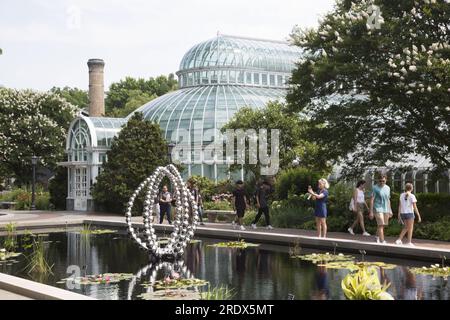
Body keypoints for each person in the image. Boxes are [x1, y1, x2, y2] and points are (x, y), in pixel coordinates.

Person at [369, 174, 392, 244]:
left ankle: (376, 237)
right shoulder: (375, 188)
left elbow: (388, 199)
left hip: (386, 208)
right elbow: (372, 200)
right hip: (377, 207)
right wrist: (371, 211)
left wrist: (390, 210)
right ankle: (382, 240)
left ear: (386, 180)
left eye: (383, 181)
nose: (382, 182)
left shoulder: (388, 188)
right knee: (381, 224)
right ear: (378, 180)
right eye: (380, 181)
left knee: (383, 224)